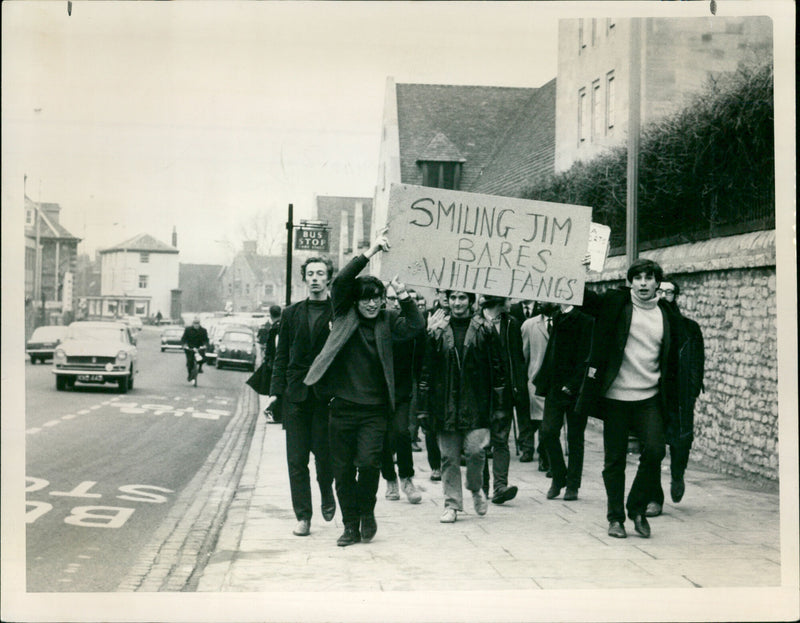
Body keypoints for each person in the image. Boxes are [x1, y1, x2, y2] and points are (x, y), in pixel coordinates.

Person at [304, 231, 424, 547]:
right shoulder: (343, 314)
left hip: (374, 412)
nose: (371, 304)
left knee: (369, 466)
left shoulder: (388, 319)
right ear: (355, 301)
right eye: (366, 298)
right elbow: (342, 280)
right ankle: (349, 525)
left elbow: (416, 327)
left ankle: (367, 514)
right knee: (341, 472)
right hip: (341, 409)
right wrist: (371, 251)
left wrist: (404, 296)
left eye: (377, 298)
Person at [576, 258, 683, 539]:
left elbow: (675, 357)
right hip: (616, 397)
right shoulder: (616, 303)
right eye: (638, 278)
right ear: (630, 282)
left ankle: (636, 508)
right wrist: (578, 272)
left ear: (658, 283)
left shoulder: (667, 314)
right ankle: (615, 519)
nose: (644, 283)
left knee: (655, 451)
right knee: (614, 460)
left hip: (649, 396)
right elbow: (584, 300)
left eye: (649, 278)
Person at [416, 290, 509, 524]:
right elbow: (425, 372)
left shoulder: (485, 330)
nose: (457, 303)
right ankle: (452, 504)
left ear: (471, 301)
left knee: (476, 452)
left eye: (462, 298)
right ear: (447, 300)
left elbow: (498, 370)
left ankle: (476, 488)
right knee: (448, 457)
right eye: (453, 298)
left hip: (476, 405)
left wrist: (499, 406)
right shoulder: (437, 332)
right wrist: (423, 407)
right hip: (444, 405)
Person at [268, 256, 336, 538]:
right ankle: (303, 516)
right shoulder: (291, 313)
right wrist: (275, 393)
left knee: (324, 457)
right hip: (295, 396)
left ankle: (326, 492)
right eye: (311, 273)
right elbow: (281, 356)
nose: (316, 278)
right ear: (304, 278)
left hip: (325, 396)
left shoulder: (339, 312)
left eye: (321, 273)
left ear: (328, 278)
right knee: (296, 460)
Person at [645, 278, 705, 516]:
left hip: (679, 396)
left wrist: (691, 392)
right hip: (651, 393)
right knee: (652, 447)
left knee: (680, 442)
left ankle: (677, 474)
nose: (663, 295)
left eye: (669, 292)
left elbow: (696, 364)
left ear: (676, 296)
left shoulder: (689, 328)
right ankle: (654, 498)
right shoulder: (647, 324)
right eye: (659, 290)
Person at [534, 303, 594, 501]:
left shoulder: (585, 320)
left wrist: (573, 383)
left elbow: (587, 355)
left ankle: (573, 485)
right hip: (555, 388)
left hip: (576, 390)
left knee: (575, 438)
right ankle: (559, 476)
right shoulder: (557, 317)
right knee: (548, 432)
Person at [479, 295, 528, 505]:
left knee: (501, 439)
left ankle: (500, 487)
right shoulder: (475, 323)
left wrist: (518, 387)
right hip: (479, 392)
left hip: (505, 392)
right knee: (480, 443)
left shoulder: (512, 323)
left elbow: (517, 357)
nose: (512, 300)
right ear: (499, 300)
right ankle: (482, 488)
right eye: (508, 297)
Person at [380, 283, 424, 505]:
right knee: (383, 437)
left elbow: (418, 328)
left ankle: (407, 478)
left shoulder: (410, 326)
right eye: (390, 299)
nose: (394, 303)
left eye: (399, 299)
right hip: (377, 390)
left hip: (402, 389)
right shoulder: (379, 323)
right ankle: (390, 479)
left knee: (401, 432)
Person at [521, 304, 557, 469]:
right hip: (536, 381)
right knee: (540, 421)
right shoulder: (529, 325)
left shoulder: (567, 322)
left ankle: (545, 452)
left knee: (552, 422)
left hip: (557, 383)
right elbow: (524, 356)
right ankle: (543, 455)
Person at [180, 317, 209, 382]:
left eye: (197, 323)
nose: (196, 325)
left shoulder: (203, 330)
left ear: (199, 324)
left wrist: (205, 345)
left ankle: (200, 368)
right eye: (195, 323)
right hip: (190, 348)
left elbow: (206, 339)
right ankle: (190, 374)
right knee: (189, 362)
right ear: (192, 324)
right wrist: (184, 345)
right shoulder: (188, 330)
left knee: (203, 358)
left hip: (199, 348)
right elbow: (183, 339)